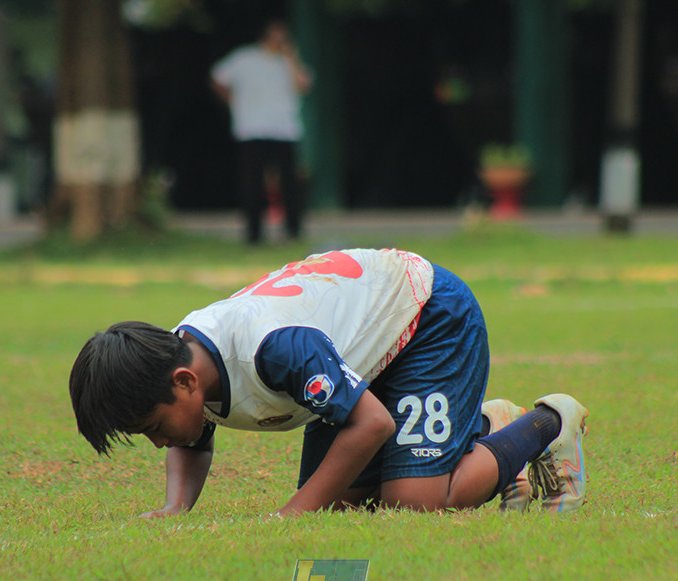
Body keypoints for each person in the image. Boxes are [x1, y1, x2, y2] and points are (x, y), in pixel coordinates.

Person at [69, 248, 588, 517]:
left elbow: (371, 423)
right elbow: (192, 432)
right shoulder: (187, 358)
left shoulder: (273, 348)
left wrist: (292, 514)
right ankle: (476, 429)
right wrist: (174, 508)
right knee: (340, 505)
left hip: (426, 316)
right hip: (359, 351)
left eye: (153, 427)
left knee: (414, 502)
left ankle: (547, 423)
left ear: (184, 381)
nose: (157, 441)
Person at [211, 19, 312, 244]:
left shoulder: (288, 62)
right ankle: (253, 233)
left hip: (284, 128)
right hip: (251, 128)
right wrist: (233, 104)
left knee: (288, 183)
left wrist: (291, 58)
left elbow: (303, 86)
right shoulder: (244, 58)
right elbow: (218, 78)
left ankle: (293, 230)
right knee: (252, 182)